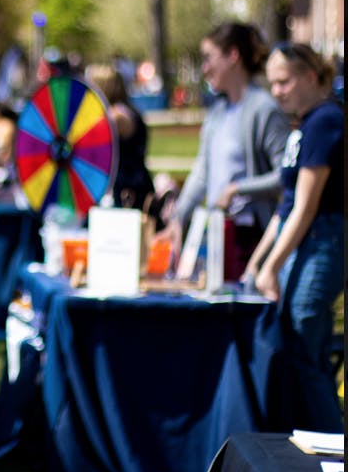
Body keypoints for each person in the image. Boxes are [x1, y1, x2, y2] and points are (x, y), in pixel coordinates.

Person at [245, 42, 344, 431]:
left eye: (284, 82)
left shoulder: (325, 121)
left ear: (310, 75)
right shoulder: (304, 125)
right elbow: (286, 207)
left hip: (324, 240)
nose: (277, 92)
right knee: (300, 349)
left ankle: (332, 451)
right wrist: (258, 261)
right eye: (272, 84)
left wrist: (272, 266)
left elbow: (305, 208)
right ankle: (312, 445)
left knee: (304, 346)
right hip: (305, 240)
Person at [158, 21, 289, 281]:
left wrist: (237, 188)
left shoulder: (264, 109)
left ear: (233, 56)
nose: (204, 69)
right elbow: (202, 172)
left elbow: (286, 176)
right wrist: (178, 218)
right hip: (219, 234)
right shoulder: (217, 113)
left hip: (252, 239)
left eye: (208, 59)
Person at [87, 64, 156, 218]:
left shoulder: (116, 115)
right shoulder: (126, 110)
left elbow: (89, 132)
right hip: (132, 182)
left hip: (128, 187)